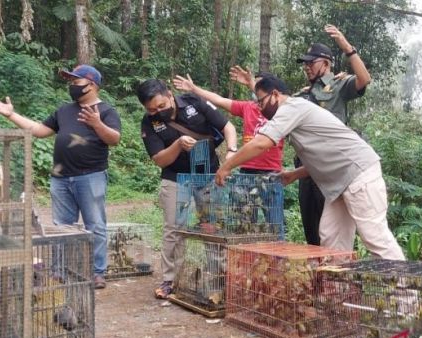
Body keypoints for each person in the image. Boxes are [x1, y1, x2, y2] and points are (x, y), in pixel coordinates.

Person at [214, 75, 404, 260]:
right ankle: (338, 288)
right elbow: (323, 155)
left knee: (375, 237)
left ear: (275, 95)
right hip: (338, 183)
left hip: (358, 173)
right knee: (331, 238)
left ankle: (408, 289)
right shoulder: (295, 112)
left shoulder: (291, 107)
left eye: (261, 101)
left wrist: (227, 166)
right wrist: (295, 174)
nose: (259, 107)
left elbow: (261, 143)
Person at [0, 64, 121, 289]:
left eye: (76, 81)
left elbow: (114, 139)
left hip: (90, 177)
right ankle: (59, 271)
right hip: (60, 178)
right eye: (70, 81)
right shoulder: (64, 110)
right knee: (61, 226)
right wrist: (12, 115)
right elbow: (40, 131)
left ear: (92, 85)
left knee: (95, 225)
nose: (72, 85)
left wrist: (97, 123)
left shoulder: (107, 111)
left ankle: (97, 272)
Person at [136, 79, 237, 299]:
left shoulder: (194, 103)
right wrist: (178, 144)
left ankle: (218, 279)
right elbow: (160, 160)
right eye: (152, 109)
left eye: (161, 106)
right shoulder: (149, 123)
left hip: (208, 174)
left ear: (170, 94)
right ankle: (171, 280)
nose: (158, 112)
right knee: (173, 228)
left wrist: (231, 151)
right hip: (175, 178)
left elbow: (227, 127)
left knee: (213, 227)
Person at [172, 73, 286, 237]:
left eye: (260, 88)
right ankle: (250, 260)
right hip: (246, 175)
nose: (257, 93)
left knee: (275, 224)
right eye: (256, 88)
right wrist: (194, 89)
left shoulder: (281, 111)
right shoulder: (247, 107)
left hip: (272, 174)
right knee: (245, 225)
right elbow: (218, 100)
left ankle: (279, 258)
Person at [293, 24, 372, 245]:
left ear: (326, 64)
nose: (307, 67)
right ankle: (317, 279)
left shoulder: (339, 86)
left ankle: (338, 275)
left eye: (311, 62)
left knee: (334, 232)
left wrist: (346, 46)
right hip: (305, 168)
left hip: (331, 167)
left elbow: (364, 79)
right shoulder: (302, 95)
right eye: (305, 64)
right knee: (311, 229)